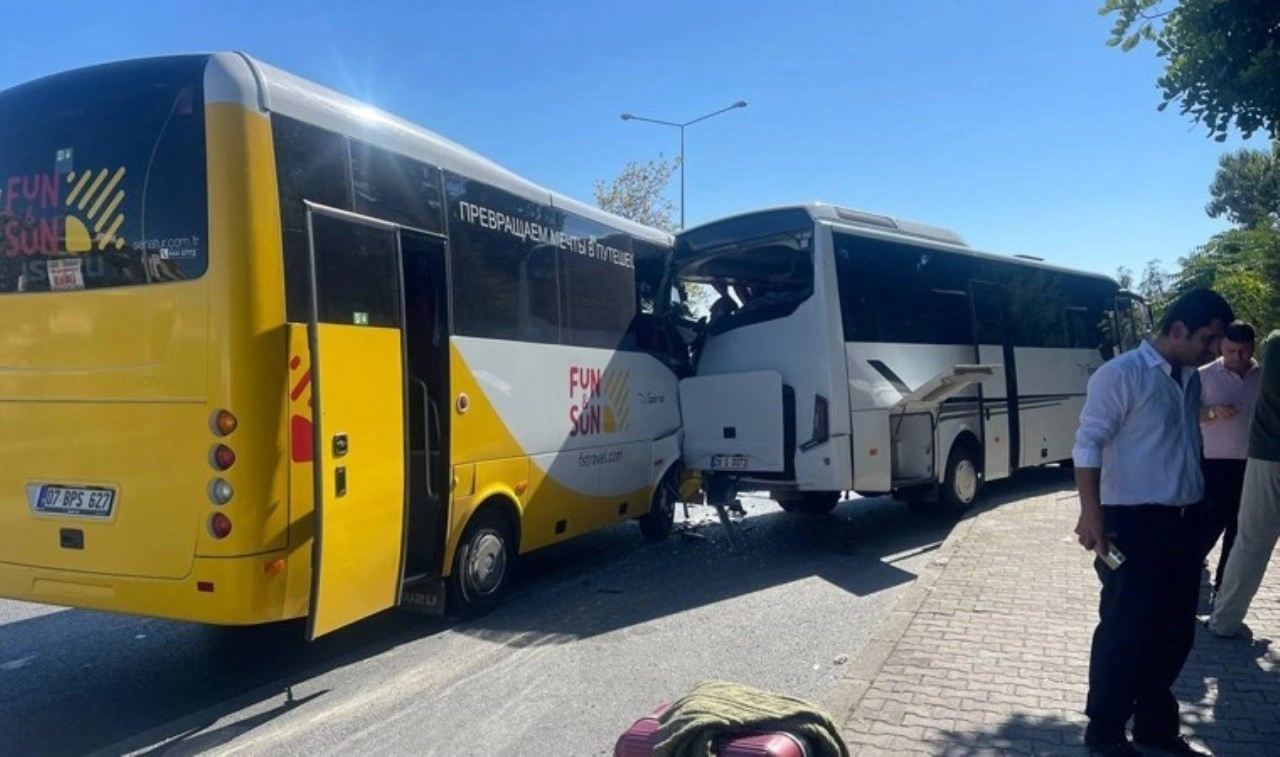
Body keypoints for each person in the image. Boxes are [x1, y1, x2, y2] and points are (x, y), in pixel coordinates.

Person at [1073, 287, 1232, 757]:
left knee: (1173, 632)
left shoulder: (1190, 379)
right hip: (1132, 524)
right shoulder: (1121, 374)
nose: (1214, 349)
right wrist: (1091, 514)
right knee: (1125, 631)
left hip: (1183, 523)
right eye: (1207, 338)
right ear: (1179, 329)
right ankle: (1105, 732)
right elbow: (1087, 443)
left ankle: (1154, 727)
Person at [1206, 328, 1280, 638]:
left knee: (1248, 541)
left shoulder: (1274, 347)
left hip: (1265, 456)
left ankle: (1224, 619)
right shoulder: (1205, 376)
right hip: (1233, 462)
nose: (1239, 356)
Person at [1197, 321, 1262, 598]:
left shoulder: (1264, 376)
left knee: (1240, 533)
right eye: (1231, 351)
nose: (1237, 357)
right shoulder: (1204, 376)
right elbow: (1184, 414)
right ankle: (1182, 580)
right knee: (1206, 529)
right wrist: (1213, 413)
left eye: (1244, 351)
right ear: (1221, 346)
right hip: (1214, 466)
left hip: (1253, 466)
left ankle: (1224, 590)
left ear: (1253, 347)